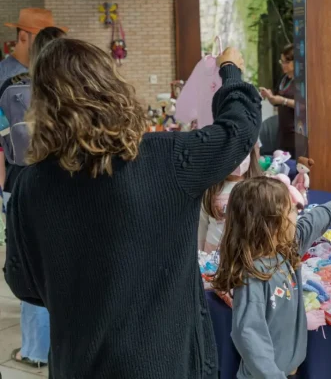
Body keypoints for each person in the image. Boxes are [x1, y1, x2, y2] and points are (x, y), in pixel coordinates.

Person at [4, 39, 261, 378]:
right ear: (112, 87)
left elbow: (24, 284)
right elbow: (239, 130)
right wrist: (231, 73)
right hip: (163, 363)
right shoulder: (167, 159)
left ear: (42, 105)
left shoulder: (30, 184)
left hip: (79, 363)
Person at [212, 177, 331, 378]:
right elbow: (248, 335)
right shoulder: (253, 276)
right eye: (290, 210)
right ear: (270, 223)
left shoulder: (286, 250)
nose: (297, 213)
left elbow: (315, 220)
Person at [0, 26, 66, 369]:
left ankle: (37, 350)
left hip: (24, 182)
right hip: (69, 184)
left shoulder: (13, 87)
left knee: (32, 265)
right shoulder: (75, 88)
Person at [198, 144, 262, 252]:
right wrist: (199, 253)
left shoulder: (259, 188)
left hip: (245, 253)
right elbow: (202, 224)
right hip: (212, 254)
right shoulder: (210, 189)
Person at [259, 44, 296, 158]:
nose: (283, 65)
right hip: (283, 132)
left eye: (286, 62)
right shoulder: (283, 79)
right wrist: (270, 97)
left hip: (296, 132)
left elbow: (304, 104)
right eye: (282, 62)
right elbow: (276, 101)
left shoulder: (302, 81)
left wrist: (284, 101)